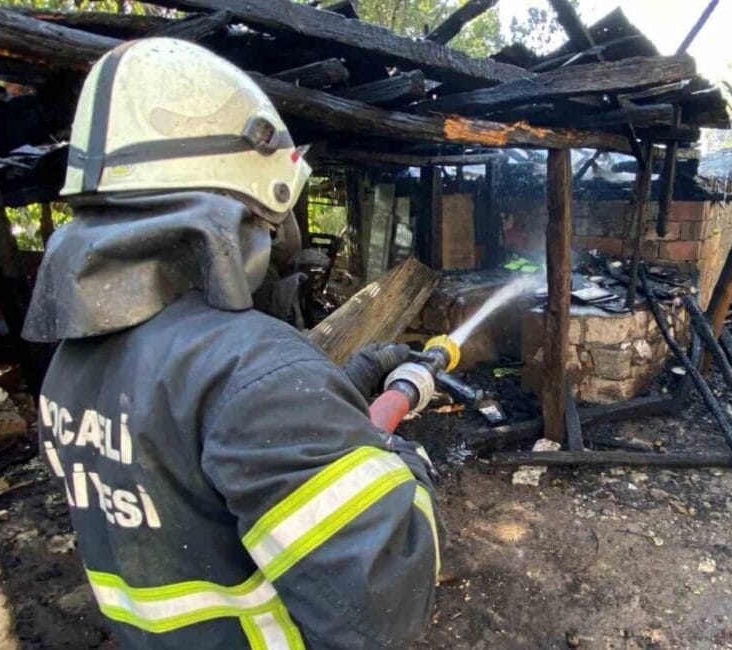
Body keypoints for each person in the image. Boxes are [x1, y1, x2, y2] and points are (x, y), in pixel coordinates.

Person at [22, 38, 440, 649]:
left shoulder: (70, 367)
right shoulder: (253, 370)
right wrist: (395, 457)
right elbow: (384, 595)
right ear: (242, 208)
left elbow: (189, 451)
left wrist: (342, 388)